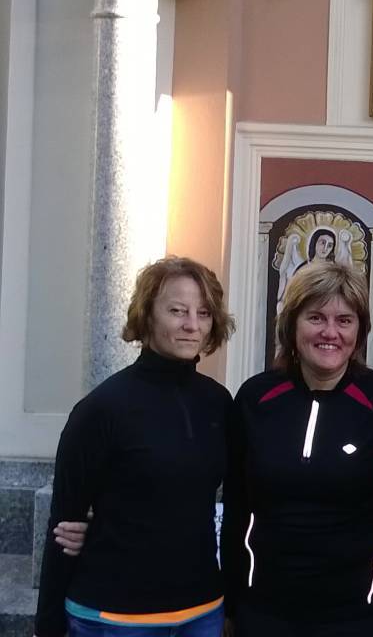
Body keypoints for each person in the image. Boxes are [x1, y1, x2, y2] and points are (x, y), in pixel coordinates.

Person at [34, 257, 236, 637]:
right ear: (147, 315)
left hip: (202, 612)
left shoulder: (219, 404)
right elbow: (63, 527)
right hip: (115, 617)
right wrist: (46, 627)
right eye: (177, 311)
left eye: (204, 313)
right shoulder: (101, 409)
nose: (192, 325)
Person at [221, 262, 373, 637]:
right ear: (292, 325)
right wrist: (231, 603)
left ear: (359, 331)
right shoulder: (256, 398)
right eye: (316, 318)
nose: (330, 332)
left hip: (358, 616)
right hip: (265, 612)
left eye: (344, 320)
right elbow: (236, 509)